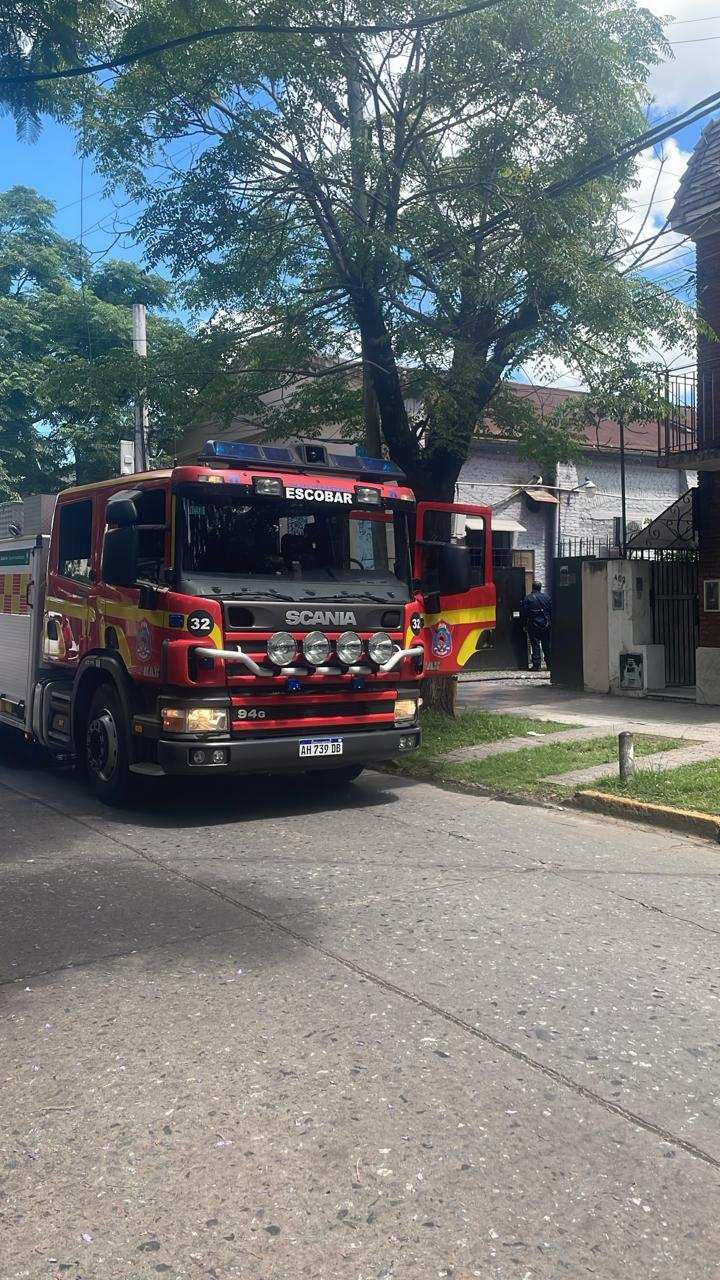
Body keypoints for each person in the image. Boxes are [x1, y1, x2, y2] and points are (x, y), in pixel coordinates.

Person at [521, 579, 552, 671]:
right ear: (540, 587)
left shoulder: (528, 598)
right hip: (546, 624)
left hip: (533, 624)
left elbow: (524, 613)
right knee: (546, 644)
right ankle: (550, 664)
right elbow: (551, 611)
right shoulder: (547, 597)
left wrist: (524, 624)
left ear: (532, 587)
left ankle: (536, 665)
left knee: (535, 644)